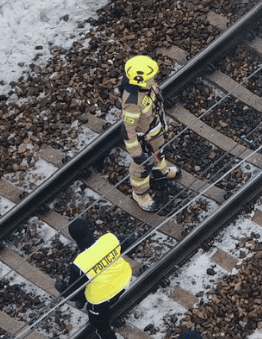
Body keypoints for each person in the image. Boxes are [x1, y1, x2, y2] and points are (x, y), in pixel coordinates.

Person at [55, 217, 130, 339]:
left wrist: (61, 288)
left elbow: (73, 295)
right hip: (125, 280)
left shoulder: (79, 265)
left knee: (98, 322)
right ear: (90, 229)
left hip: (102, 298)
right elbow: (131, 242)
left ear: (74, 238)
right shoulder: (109, 239)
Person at [122, 55, 179, 211]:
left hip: (155, 130)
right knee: (141, 167)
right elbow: (128, 131)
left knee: (159, 151)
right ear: (140, 81)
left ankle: (159, 170)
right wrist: (136, 153)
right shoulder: (132, 103)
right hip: (143, 138)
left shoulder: (148, 86)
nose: (153, 79)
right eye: (150, 77)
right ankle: (140, 193)